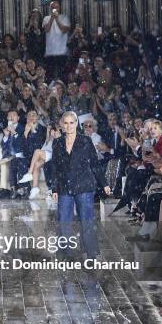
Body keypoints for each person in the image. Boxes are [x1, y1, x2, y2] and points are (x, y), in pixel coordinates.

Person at [51, 111, 110, 259]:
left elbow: (95, 164)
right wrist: (54, 188)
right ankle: (65, 253)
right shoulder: (57, 143)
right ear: (62, 125)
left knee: (86, 220)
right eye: (66, 122)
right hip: (65, 186)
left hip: (84, 185)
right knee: (64, 220)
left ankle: (90, 252)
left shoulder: (85, 141)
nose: (69, 125)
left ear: (76, 124)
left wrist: (104, 183)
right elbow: (55, 167)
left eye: (72, 122)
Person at [42, 1, 70, 80]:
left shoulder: (64, 18)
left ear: (59, 8)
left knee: (62, 74)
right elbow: (46, 30)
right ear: (50, 8)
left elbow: (64, 30)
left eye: (56, 7)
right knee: (50, 74)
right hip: (50, 52)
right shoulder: (46, 18)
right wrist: (52, 18)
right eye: (53, 7)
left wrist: (57, 19)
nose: (54, 9)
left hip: (61, 51)